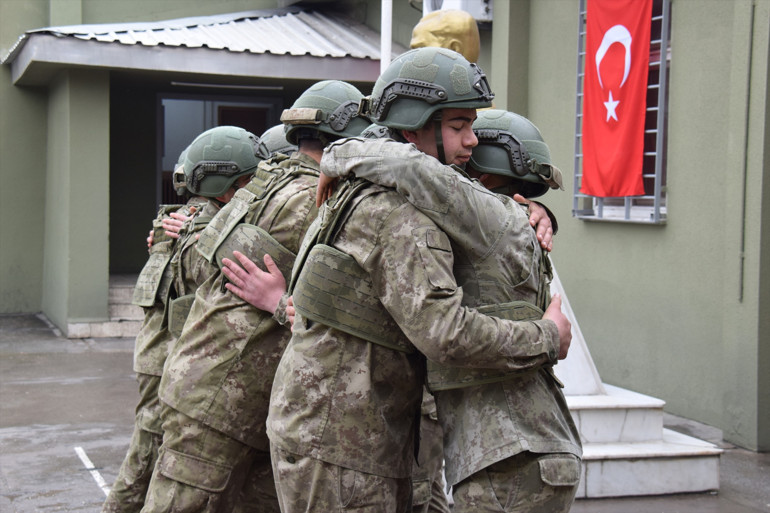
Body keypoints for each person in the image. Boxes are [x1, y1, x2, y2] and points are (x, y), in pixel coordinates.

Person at [264, 47, 572, 513]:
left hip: (332, 430)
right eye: (459, 126)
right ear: (413, 128)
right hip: (345, 443)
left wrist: (528, 208)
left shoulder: (353, 188)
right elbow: (445, 333)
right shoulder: (398, 214)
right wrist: (547, 336)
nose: (471, 141)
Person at [319, 108, 583, 512]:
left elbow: (409, 167)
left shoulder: (482, 213)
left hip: (509, 456)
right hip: (531, 446)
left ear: (481, 176)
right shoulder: (514, 220)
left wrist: (335, 156)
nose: (463, 148)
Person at [141, 80, 370, 513]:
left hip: (217, 388)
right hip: (225, 397)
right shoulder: (318, 201)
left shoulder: (264, 184)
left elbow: (198, 260)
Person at [103, 127, 259, 513]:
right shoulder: (207, 230)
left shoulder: (180, 220)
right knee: (148, 457)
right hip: (171, 355)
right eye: (247, 180)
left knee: (154, 453)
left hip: (163, 353)